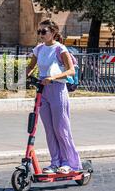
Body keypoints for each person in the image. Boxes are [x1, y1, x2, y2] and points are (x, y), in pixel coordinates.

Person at [26, 19, 82, 174]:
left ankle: (69, 162)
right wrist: (24, 76)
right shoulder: (38, 49)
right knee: (49, 129)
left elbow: (71, 71)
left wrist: (54, 78)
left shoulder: (60, 49)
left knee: (61, 128)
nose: (41, 34)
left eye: (44, 31)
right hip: (43, 91)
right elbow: (31, 66)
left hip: (58, 90)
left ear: (53, 33)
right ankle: (55, 162)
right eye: (39, 31)